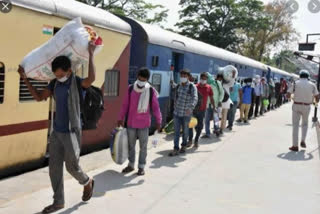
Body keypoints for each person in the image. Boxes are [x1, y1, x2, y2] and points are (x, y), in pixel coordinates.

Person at [17, 43, 96, 214]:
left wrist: (91, 54)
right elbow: (39, 98)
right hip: (57, 132)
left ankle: (87, 181)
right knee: (54, 168)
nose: (58, 77)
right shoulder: (54, 84)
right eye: (56, 74)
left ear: (68, 71)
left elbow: (91, 80)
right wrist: (24, 78)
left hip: (71, 132)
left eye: (61, 74)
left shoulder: (76, 82)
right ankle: (58, 202)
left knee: (72, 167)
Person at [118, 68, 162, 176]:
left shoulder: (151, 91)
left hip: (144, 124)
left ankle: (141, 167)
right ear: (137, 76)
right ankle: (131, 165)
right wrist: (120, 118)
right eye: (140, 78)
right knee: (131, 146)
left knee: (143, 147)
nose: (141, 80)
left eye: (144, 79)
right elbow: (125, 105)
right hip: (131, 123)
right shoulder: (130, 89)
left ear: (147, 79)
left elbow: (156, 107)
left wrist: (159, 120)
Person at [287, 70, 320, 152]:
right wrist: (314, 102)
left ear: (300, 76)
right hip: (307, 106)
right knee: (305, 124)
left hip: (296, 105)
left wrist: (292, 98)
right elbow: (317, 97)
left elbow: (288, 94)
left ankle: (295, 146)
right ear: (308, 77)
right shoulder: (312, 84)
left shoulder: (295, 83)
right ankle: (303, 140)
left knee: (295, 126)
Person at [169, 69, 198, 156]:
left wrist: (191, 107)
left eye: (185, 76)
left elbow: (195, 98)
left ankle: (184, 145)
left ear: (188, 77)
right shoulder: (179, 86)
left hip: (186, 114)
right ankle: (175, 148)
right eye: (182, 76)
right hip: (177, 113)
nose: (183, 78)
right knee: (176, 132)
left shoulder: (192, 87)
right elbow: (176, 96)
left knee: (185, 131)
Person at [187, 72, 214, 148]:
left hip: (202, 110)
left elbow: (211, 98)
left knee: (200, 126)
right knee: (190, 125)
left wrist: (214, 106)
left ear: (207, 80)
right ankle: (190, 140)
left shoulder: (209, 87)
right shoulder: (195, 86)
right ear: (200, 78)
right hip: (193, 110)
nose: (203, 80)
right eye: (202, 79)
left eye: (205, 79)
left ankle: (196, 141)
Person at [203, 73, 224, 138]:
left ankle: (216, 130)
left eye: (206, 78)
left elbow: (222, 93)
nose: (205, 79)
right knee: (206, 120)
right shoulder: (204, 84)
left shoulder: (217, 83)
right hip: (207, 105)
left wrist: (220, 100)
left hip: (215, 104)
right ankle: (207, 133)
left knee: (216, 119)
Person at [219, 65, 238, 134]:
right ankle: (217, 128)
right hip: (220, 102)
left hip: (225, 102)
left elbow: (232, 82)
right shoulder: (220, 83)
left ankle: (221, 129)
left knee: (224, 116)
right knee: (219, 116)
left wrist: (233, 75)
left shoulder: (228, 83)